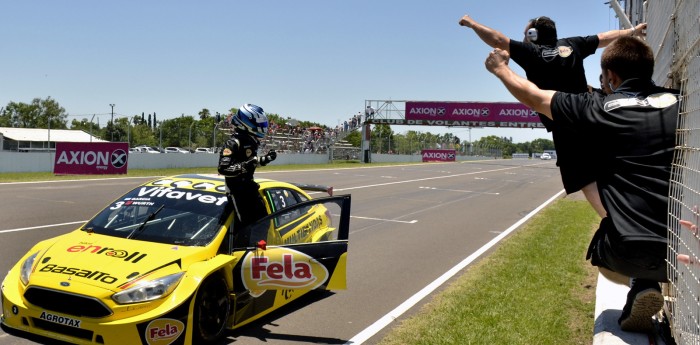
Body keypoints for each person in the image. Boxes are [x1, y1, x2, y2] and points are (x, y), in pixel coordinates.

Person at [484, 36, 679, 333]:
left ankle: (641, 280)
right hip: (682, 251)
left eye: (603, 78)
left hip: (623, 252)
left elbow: (534, 96)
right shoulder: (682, 102)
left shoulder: (597, 107)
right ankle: (646, 280)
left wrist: (501, 70)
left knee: (578, 150)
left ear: (611, 77)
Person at [459, 14, 647, 218]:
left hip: (564, 119)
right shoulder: (573, 44)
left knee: (583, 178)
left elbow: (497, 40)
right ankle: (632, 212)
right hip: (591, 112)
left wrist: (471, 23)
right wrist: (633, 31)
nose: (523, 37)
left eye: (526, 33)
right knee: (609, 166)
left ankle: (616, 226)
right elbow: (603, 37)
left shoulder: (530, 51)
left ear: (533, 35)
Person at [218, 103, 277, 229]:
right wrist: (245, 165)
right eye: (259, 123)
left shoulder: (250, 141)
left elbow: (252, 162)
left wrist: (265, 159)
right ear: (246, 122)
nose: (262, 126)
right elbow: (223, 169)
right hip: (237, 192)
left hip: (249, 188)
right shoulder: (233, 143)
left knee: (264, 222)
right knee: (247, 228)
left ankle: (260, 247)